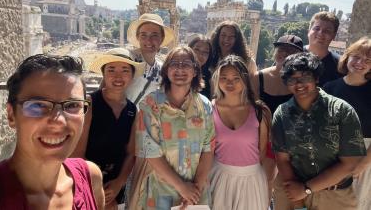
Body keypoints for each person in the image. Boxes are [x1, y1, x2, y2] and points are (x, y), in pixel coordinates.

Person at [0, 54, 104, 209]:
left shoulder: (90, 177)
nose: (58, 121)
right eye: (38, 105)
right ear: (11, 115)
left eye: (72, 105)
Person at [272, 52, 366, 210]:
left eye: (305, 77)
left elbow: (349, 163)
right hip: (292, 194)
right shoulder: (282, 114)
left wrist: (306, 189)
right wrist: (298, 203)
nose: (299, 84)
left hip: (334, 198)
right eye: (292, 79)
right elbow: (282, 160)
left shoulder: (342, 111)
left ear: (316, 78)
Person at [127, 46, 215, 210]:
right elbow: (150, 152)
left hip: (196, 194)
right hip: (160, 193)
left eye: (186, 64)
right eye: (174, 63)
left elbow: (208, 149)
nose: (180, 68)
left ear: (195, 71)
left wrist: (194, 190)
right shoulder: (150, 104)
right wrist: (182, 187)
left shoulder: (205, 106)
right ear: (166, 70)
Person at [72, 48, 144, 209]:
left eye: (125, 70)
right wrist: (91, 186)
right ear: (103, 74)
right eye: (111, 69)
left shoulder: (133, 110)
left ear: (132, 76)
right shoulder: (90, 104)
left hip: (115, 186)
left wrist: (119, 183)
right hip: (86, 181)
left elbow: (131, 153)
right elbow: (77, 151)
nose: (118, 76)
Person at [209, 55, 270, 210]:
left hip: (252, 180)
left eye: (236, 78)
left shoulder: (259, 111)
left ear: (245, 79)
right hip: (218, 177)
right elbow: (207, 150)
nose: (230, 83)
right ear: (217, 79)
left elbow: (263, 153)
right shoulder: (209, 109)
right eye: (224, 78)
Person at [252, 34, 304, 202]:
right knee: (263, 183)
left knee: (286, 188)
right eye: (281, 49)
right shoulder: (257, 77)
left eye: (291, 52)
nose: (285, 54)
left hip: (289, 143)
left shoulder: (301, 83)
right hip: (262, 140)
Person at [323, 37, 371, 210]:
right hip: (332, 155)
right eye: (356, 57)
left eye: (367, 60)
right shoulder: (329, 89)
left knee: (359, 204)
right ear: (347, 57)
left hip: (365, 156)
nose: (360, 63)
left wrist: (363, 163)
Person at [126, 13, 175, 105]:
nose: (148, 40)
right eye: (144, 35)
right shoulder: (127, 59)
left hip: (144, 118)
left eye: (154, 35)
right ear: (138, 37)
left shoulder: (162, 68)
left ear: (162, 38)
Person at [305, 11, 342, 86]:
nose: (321, 33)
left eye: (327, 31)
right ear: (309, 31)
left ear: (334, 36)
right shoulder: (292, 53)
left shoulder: (340, 65)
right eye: (317, 28)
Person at [189, 34, 213, 99]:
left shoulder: (209, 76)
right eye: (197, 49)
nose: (200, 54)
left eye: (205, 52)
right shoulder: (179, 71)